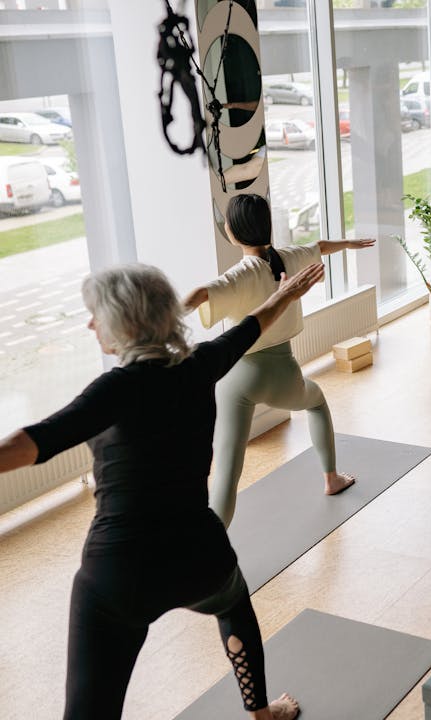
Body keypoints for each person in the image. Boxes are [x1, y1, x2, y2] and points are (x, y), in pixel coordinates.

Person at [0, 261, 326, 720]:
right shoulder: (200, 366)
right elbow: (252, 327)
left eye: (96, 314)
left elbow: (32, 442)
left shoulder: (112, 390)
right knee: (234, 605)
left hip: (119, 576)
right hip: (199, 558)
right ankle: (262, 713)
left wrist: (284, 297)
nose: (91, 323)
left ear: (122, 322)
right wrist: (287, 294)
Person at [183, 193, 376, 527]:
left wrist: (161, 316)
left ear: (233, 232)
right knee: (316, 401)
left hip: (237, 380)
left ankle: (207, 553)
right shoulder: (286, 259)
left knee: (228, 469)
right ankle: (331, 478)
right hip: (284, 373)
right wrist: (348, 243)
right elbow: (319, 246)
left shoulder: (240, 273)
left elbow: (200, 295)